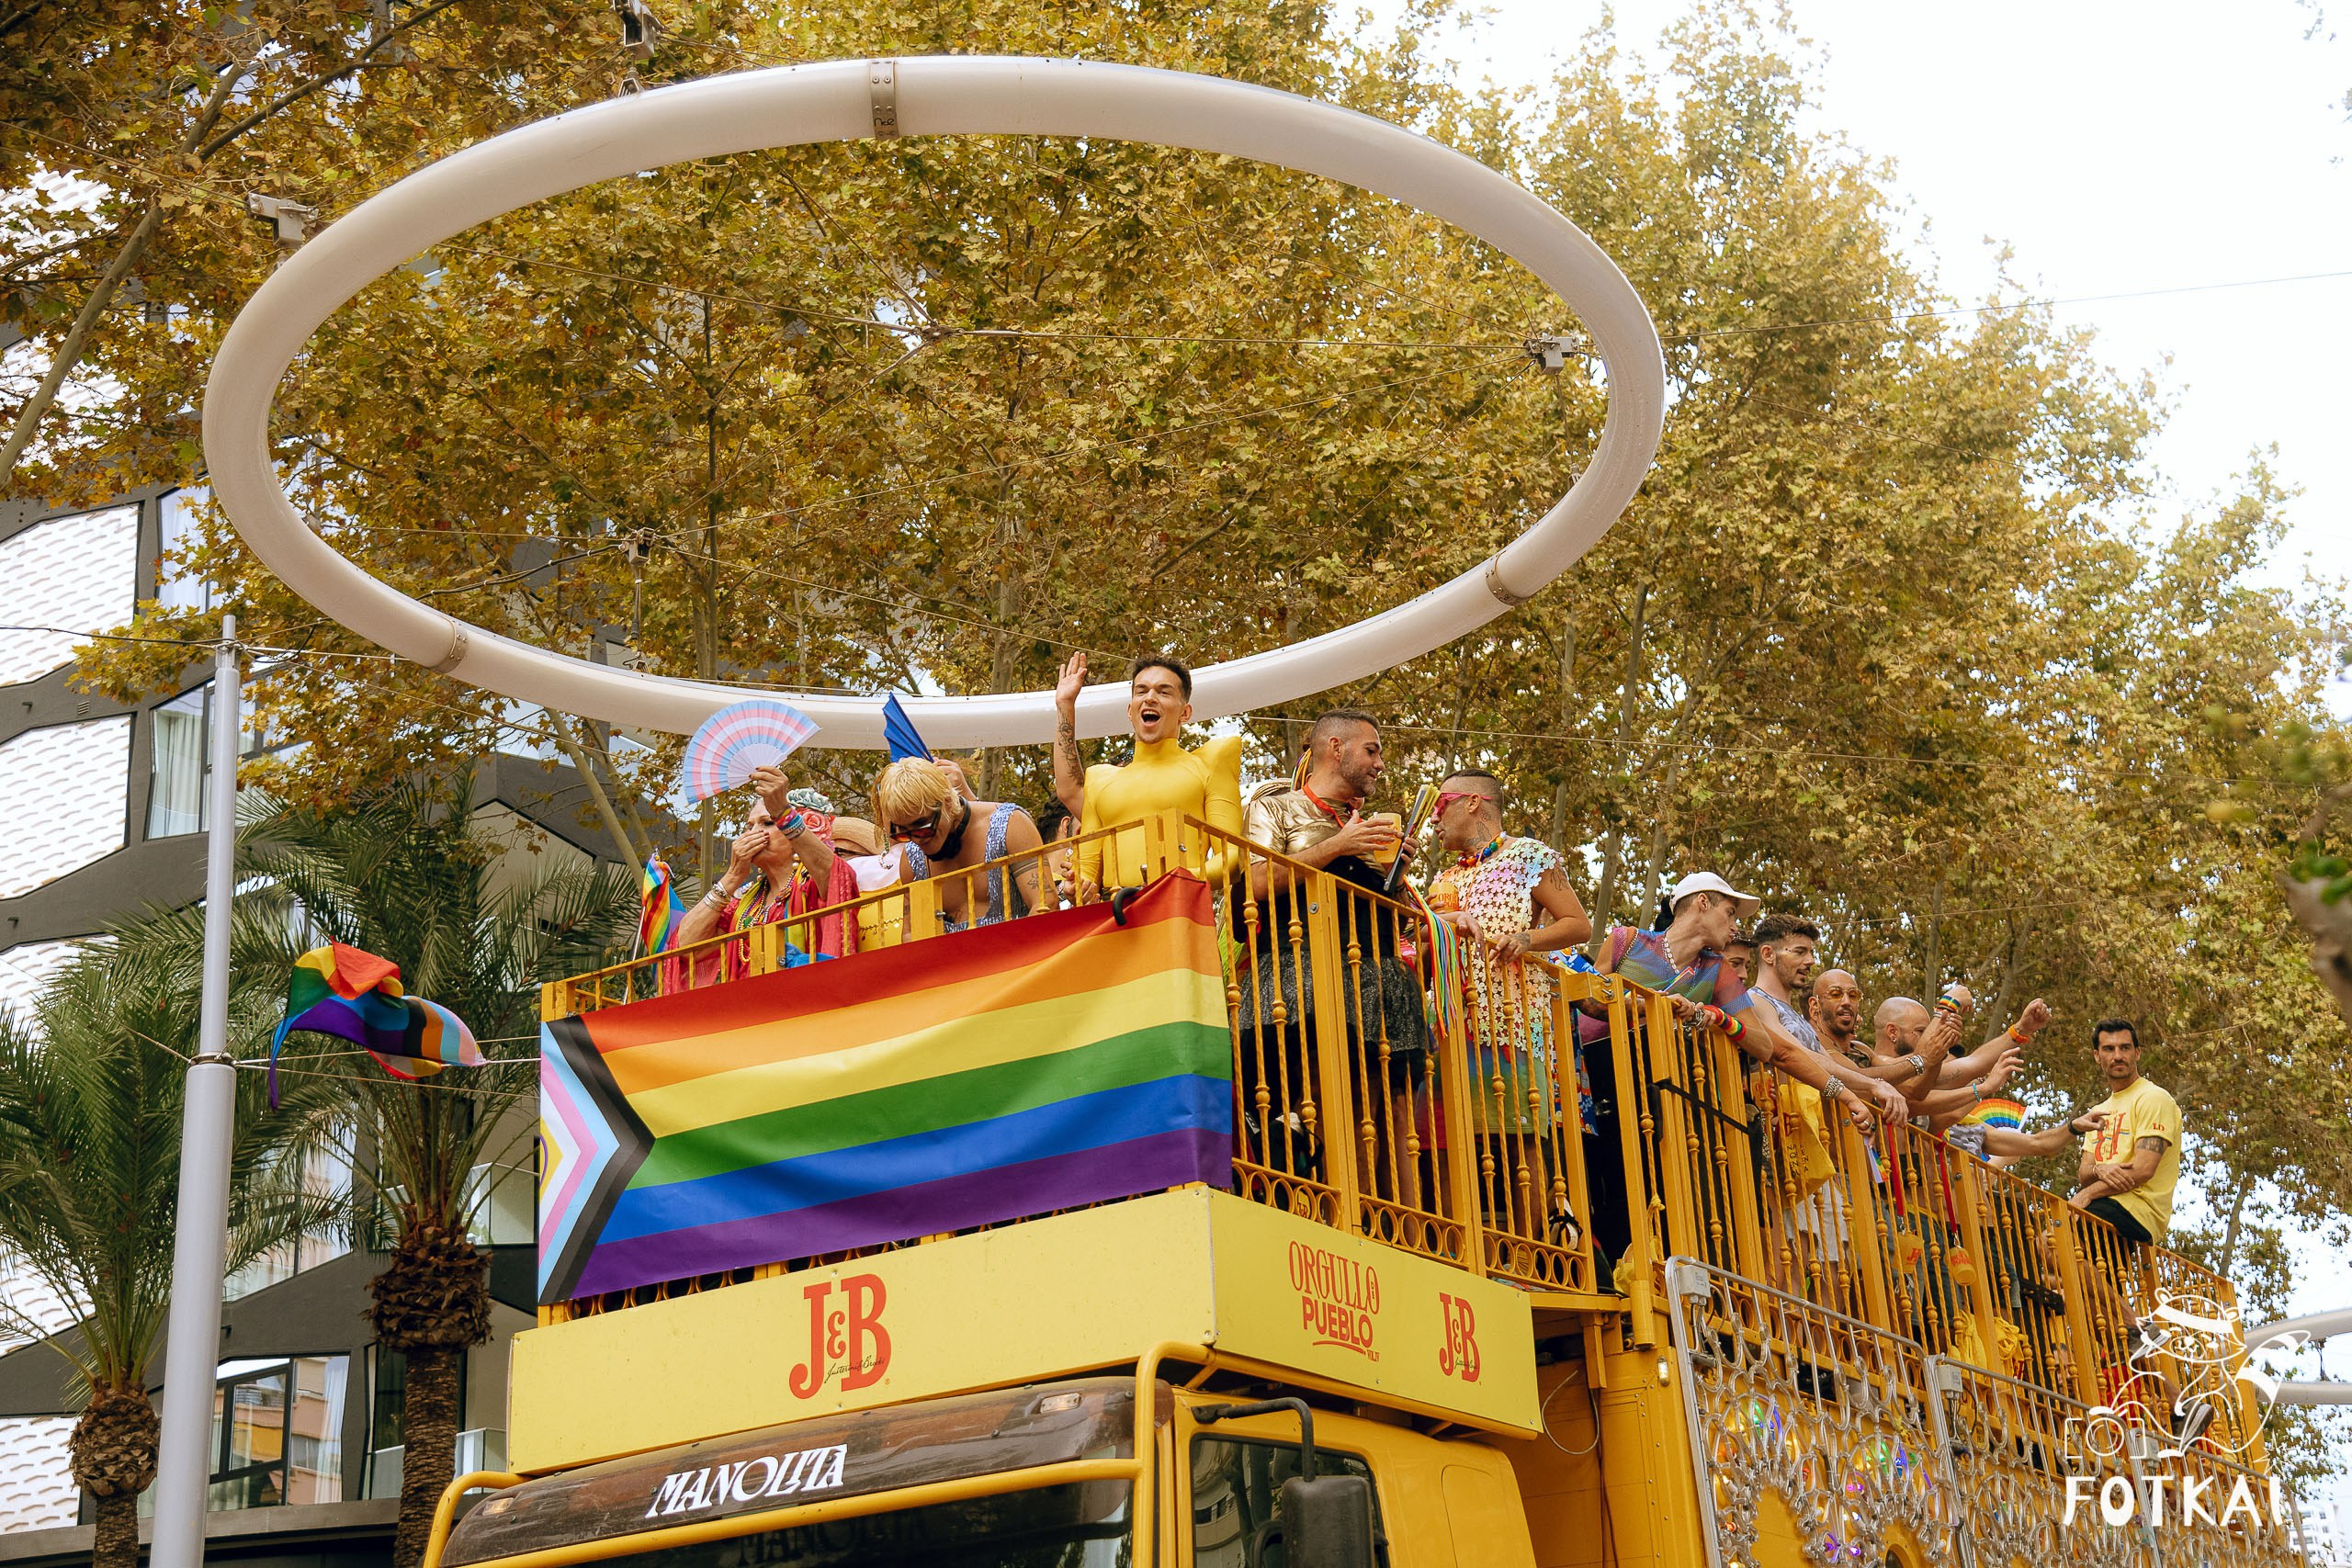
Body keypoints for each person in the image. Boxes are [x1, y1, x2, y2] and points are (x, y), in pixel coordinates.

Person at [1579, 874, 1907, 1272]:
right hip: (1599, 1091)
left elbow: (1766, 1045)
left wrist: (1713, 1015)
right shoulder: (1626, 940)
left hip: (1664, 1101)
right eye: (1729, 912)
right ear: (1701, 903)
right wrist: (1652, 1006)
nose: (1735, 926)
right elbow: (1592, 999)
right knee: (1605, 1199)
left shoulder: (1717, 972)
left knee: (1664, 1204)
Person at [1234, 710, 1423, 1194]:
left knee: (1388, 1106)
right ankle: (1330, 1212)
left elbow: (1394, 913)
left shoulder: (1370, 824)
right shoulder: (1275, 809)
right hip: (1302, 977)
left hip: (1378, 978)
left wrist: (1396, 877)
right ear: (1335, 748)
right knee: (1317, 1092)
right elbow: (1253, 884)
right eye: (1372, 750)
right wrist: (1337, 846)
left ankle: (1404, 1228)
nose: (1381, 764)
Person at [1056, 651, 1244, 890]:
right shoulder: (1100, 779)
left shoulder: (1210, 763)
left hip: (1180, 913)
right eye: (1141, 691)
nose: (1150, 698)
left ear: (1184, 713)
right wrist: (1077, 886)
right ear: (1130, 710)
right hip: (1117, 917)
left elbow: (1233, 857)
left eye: (1164, 692)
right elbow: (1088, 872)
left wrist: (1178, 879)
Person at [673, 764, 861, 973]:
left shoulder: (812, 882)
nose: (754, 833)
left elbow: (839, 875)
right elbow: (683, 948)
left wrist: (782, 812)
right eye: (749, 826)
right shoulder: (745, 900)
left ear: (797, 835)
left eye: (768, 822)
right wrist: (732, 877)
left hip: (807, 997)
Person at [870, 757, 1048, 929]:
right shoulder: (911, 859)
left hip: (1021, 954)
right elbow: (911, 933)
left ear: (947, 802)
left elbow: (1045, 905)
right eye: (904, 835)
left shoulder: (1011, 824)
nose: (917, 839)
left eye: (922, 827)